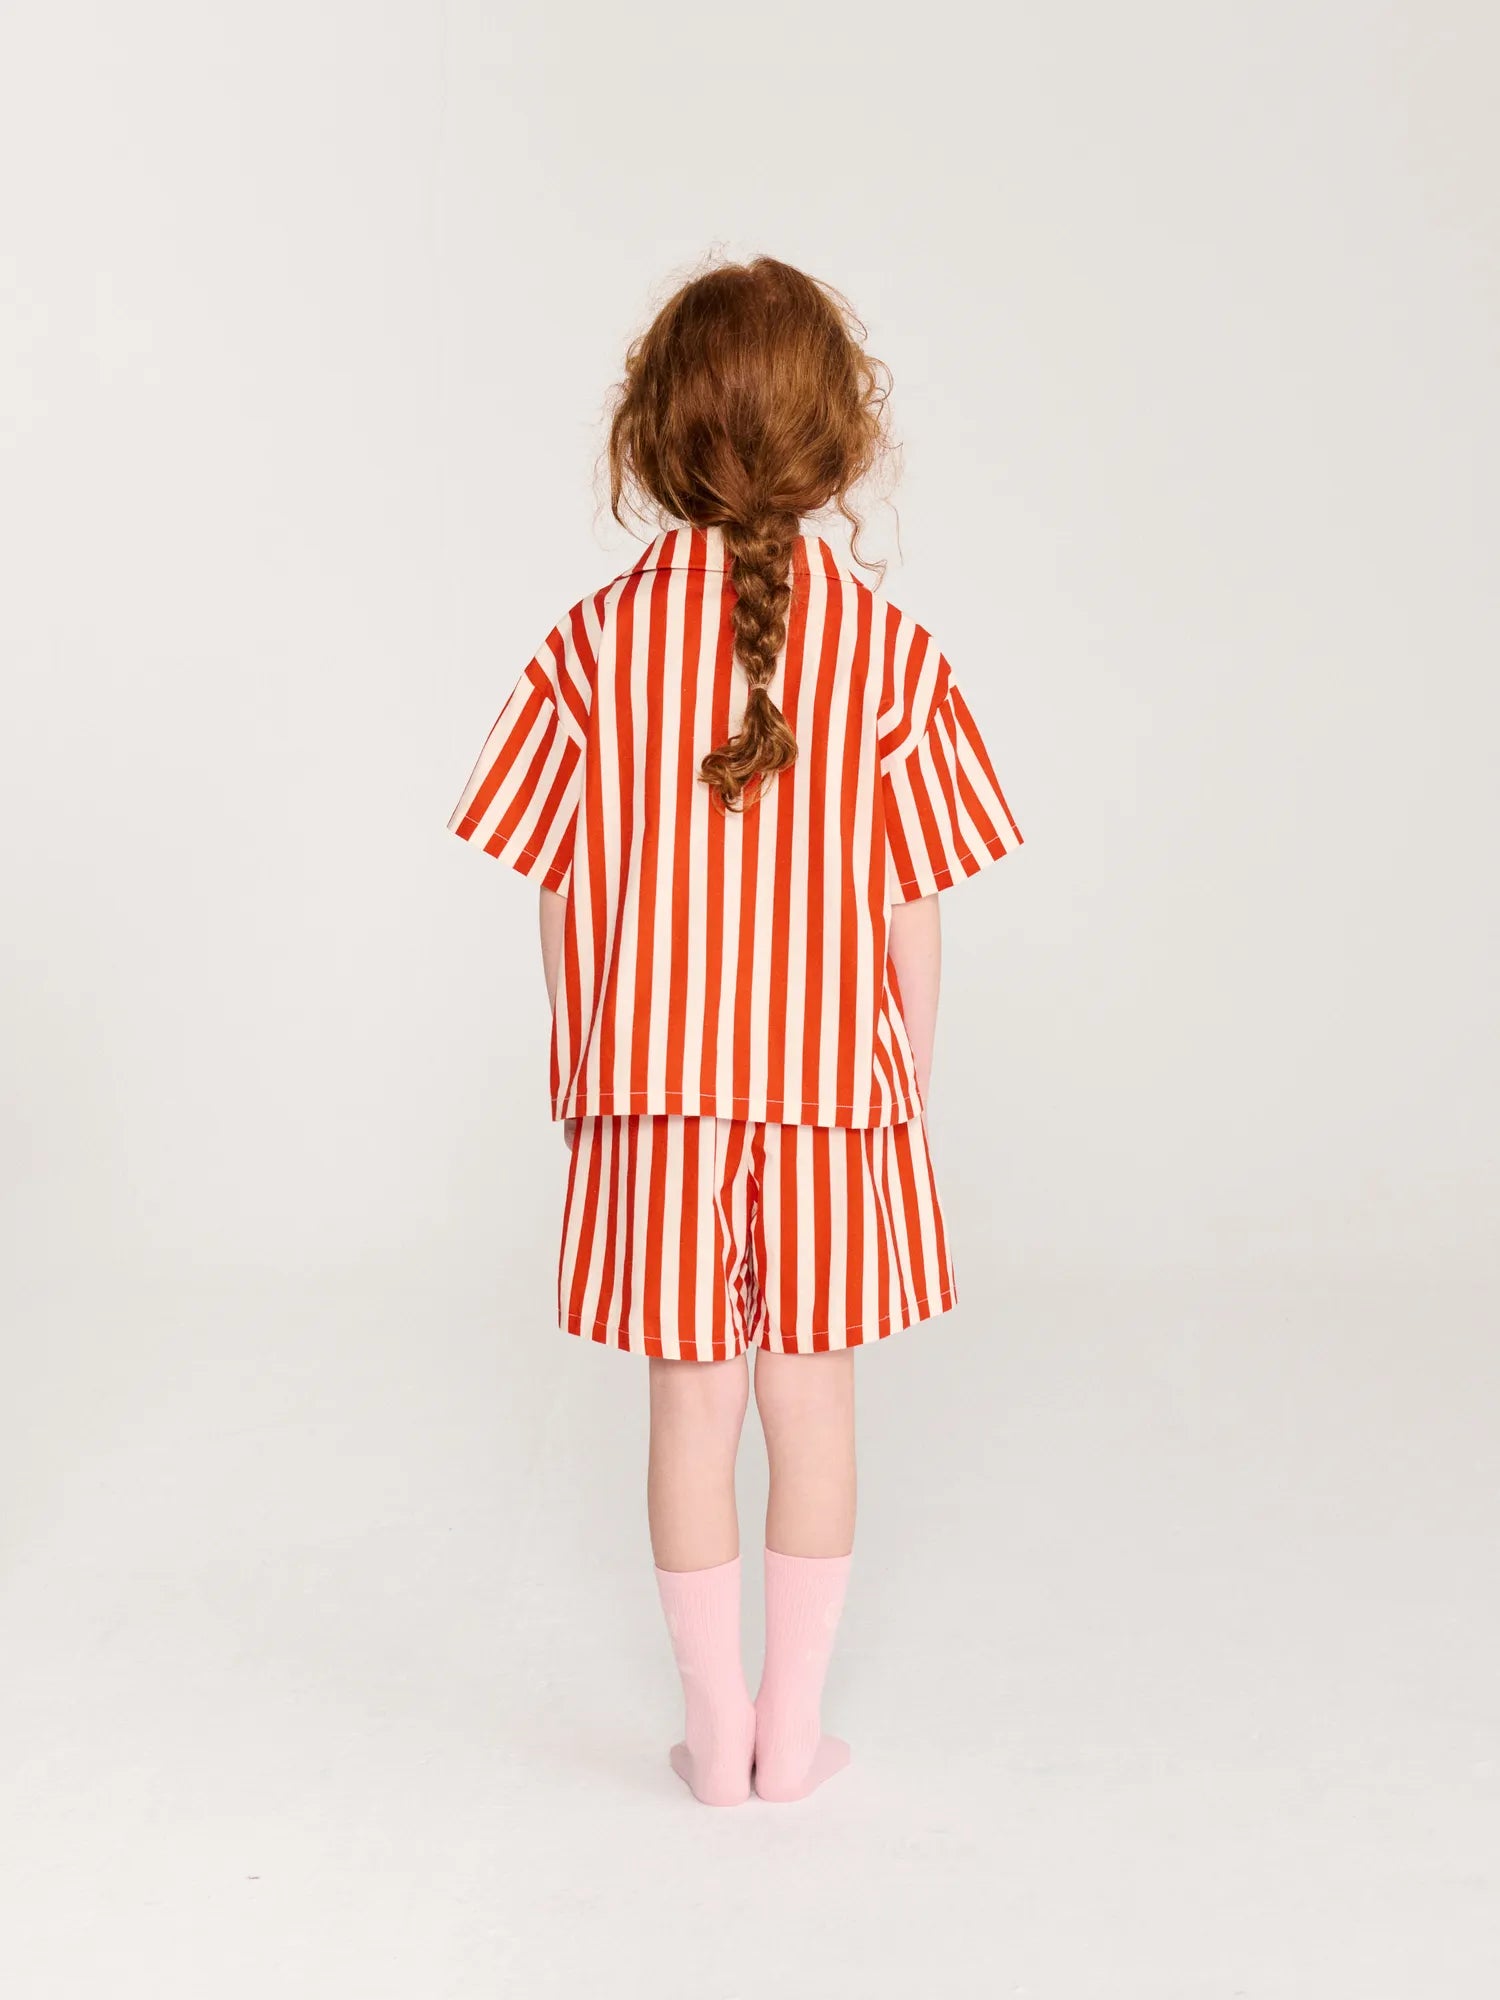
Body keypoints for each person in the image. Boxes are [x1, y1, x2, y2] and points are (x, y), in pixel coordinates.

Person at [448, 256, 1022, 1805]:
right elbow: (912, 911)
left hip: (655, 1098)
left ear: (652, 433)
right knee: (811, 1403)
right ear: (839, 441)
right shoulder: (892, 656)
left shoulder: (591, 647)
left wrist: (588, 1063)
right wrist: (902, 1077)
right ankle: (793, 1732)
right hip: (834, 1099)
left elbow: (557, 892)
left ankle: (711, 1735)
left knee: (689, 1408)